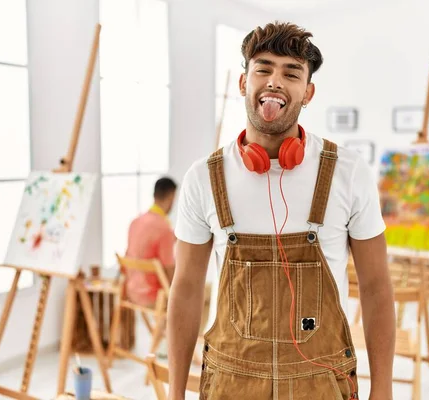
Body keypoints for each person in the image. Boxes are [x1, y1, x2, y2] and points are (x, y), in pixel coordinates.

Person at [167, 21, 395, 399]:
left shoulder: (348, 173)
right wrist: (175, 394)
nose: (274, 81)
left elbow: (376, 287)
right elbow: (186, 288)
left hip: (321, 383)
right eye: (263, 69)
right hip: (230, 384)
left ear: (308, 93)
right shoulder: (203, 179)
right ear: (244, 84)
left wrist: (383, 390)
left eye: (291, 73)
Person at [124, 177, 177, 307]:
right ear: (171, 197)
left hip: (131, 291)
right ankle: (171, 328)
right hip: (154, 297)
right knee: (203, 297)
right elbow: (169, 269)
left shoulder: (135, 222)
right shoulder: (164, 227)